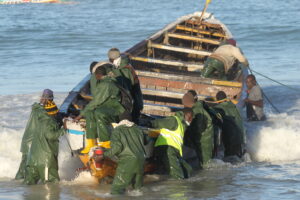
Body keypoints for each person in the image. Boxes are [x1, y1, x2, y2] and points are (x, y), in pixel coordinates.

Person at [75, 66, 130, 154]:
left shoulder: (106, 84)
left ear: (98, 75)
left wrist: (80, 115)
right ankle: (91, 142)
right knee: (89, 113)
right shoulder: (105, 82)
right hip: (106, 106)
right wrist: (85, 112)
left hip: (115, 109)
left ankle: (105, 142)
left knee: (99, 113)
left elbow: (96, 101)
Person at [15, 89, 60, 180]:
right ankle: (20, 185)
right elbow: (51, 120)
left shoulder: (37, 108)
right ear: (49, 99)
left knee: (24, 169)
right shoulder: (43, 112)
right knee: (27, 169)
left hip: (27, 140)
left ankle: (18, 186)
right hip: (33, 143)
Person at [23, 89, 65, 185]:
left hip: (32, 156)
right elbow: (50, 135)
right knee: (51, 185)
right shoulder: (49, 121)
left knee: (28, 186)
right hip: (46, 160)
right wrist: (64, 129)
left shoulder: (38, 113)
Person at [101, 114, 146, 195]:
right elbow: (146, 140)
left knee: (116, 190)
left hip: (128, 161)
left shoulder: (117, 130)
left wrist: (104, 155)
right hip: (141, 160)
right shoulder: (138, 129)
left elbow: (117, 147)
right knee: (137, 190)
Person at [151, 108, 193, 179]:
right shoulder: (174, 120)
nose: (191, 120)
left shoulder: (182, 125)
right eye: (191, 117)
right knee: (178, 176)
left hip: (175, 152)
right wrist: (149, 123)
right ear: (187, 116)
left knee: (188, 169)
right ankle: (177, 188)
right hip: (167, 149)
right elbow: (158, 123)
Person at [108, 48, 143, 123]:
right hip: (135, 98)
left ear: (111, 59)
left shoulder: (124, 69)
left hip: (132, 99)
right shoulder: (125, 64)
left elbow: (126, 89)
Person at [182, 91, 215, 168]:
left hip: (203, 145)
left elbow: (197, 132)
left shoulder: (197, 111)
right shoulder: (199, 108)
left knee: (204, 167)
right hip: (205, 143)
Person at [213, 91, 245, 158]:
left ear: (217, 100)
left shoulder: (218, 109)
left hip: (230, 139)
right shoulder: (234, 107)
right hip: (240, 138)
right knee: (238, 160)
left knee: (230, 161)